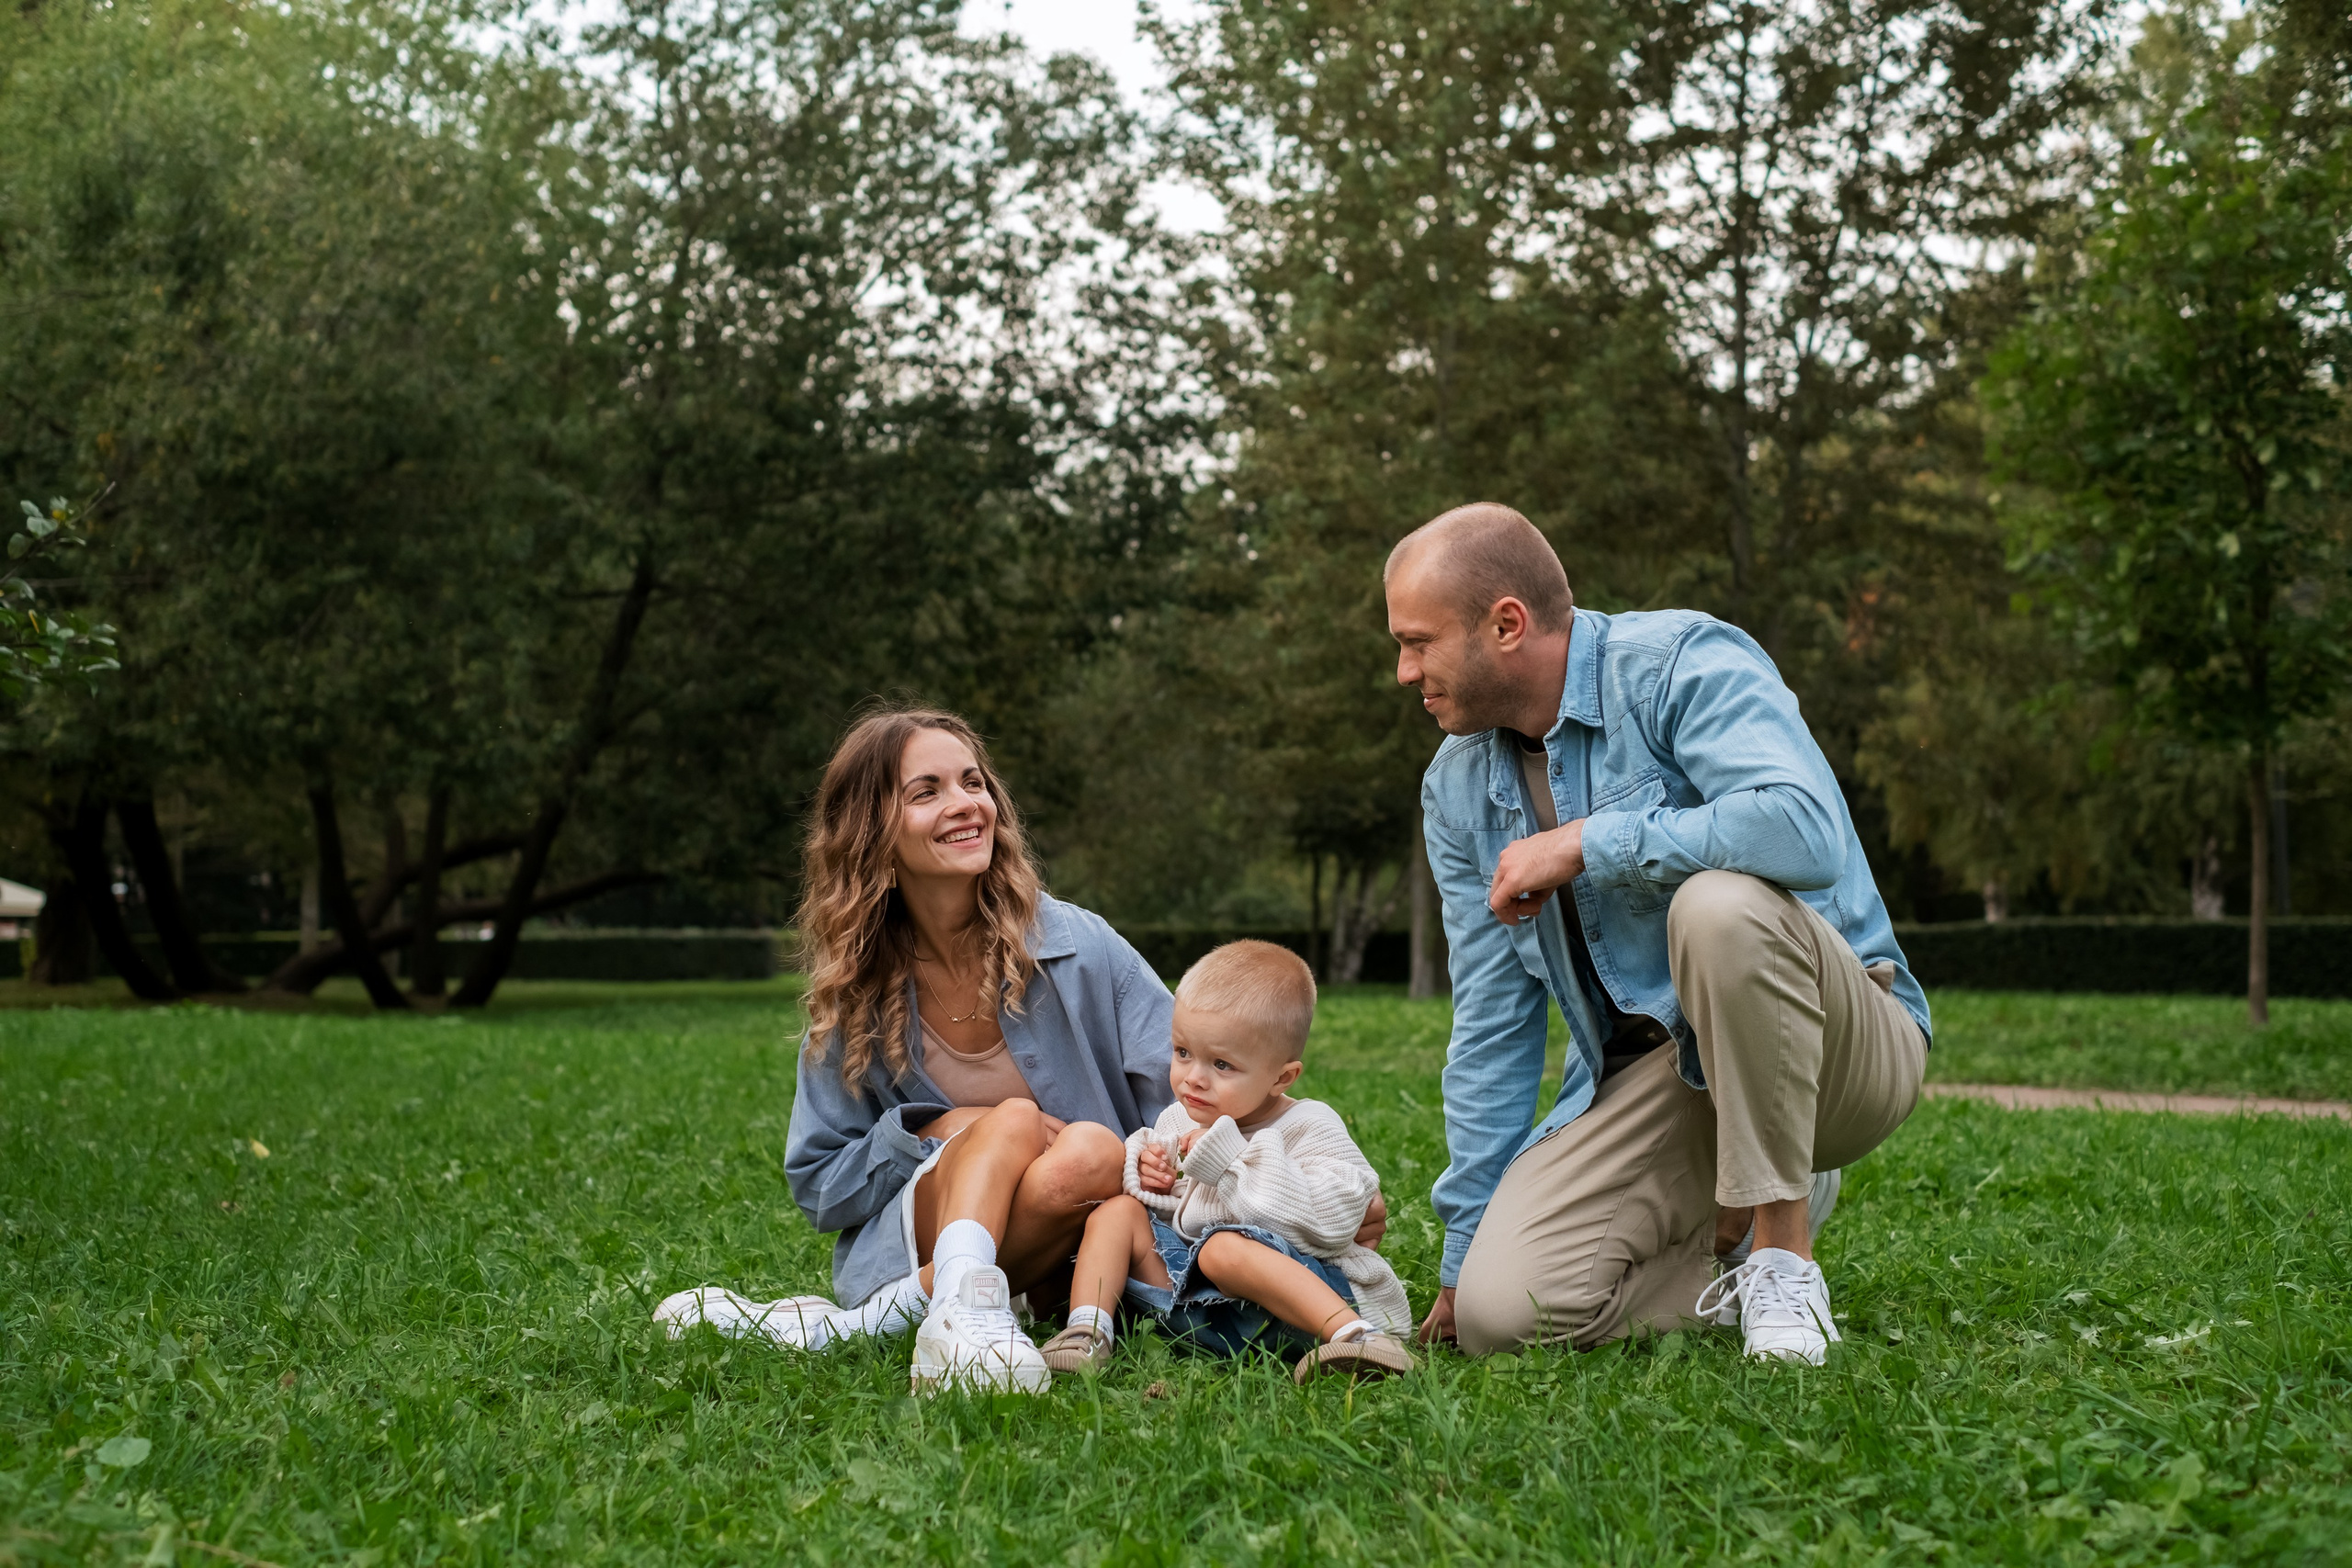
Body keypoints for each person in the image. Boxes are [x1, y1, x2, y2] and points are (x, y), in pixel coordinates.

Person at [1385, 503, 1930, 1365]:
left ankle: (1784, 1248)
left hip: (1836, 1048)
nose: (1405, 669)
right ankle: (1729, 1249)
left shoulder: (1682, 663)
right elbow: (1493, 1022)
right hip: (1660, 1073)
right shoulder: (1457, 787)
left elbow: (1803, 829)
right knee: (1504, 1316)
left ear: (1505, 624)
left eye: (1418, 642)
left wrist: (1586, 843)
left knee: (1719, 906)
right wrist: (1458, 1260)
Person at [655, 707, 1173, 1394]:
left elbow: (1197, 1093)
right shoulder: (857, 987)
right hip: (919, 1231)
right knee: (1014, 1119)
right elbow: (819, 1183)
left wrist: (1310, 1190)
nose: (966, 805)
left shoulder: (1079, 946)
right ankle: (962, 1309)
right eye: (927, 791)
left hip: (1077, 1258)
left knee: (1092, 1151)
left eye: (972, 782)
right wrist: (939, 1130)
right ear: (874, 833)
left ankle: (853, 1327)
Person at [1037, 942, 1414, 1382]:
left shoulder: (1310, 1125)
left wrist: (1231, 1160)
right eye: (1182, 1052)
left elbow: (1329, 1223)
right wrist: (1149, 1177)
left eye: (1221, 1064)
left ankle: (1357, 1339)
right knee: (1118, 1213)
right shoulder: (1181, 1117)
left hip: (1307, 1305)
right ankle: (1087, 1332)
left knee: (1221, 1249)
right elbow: (1178, 1217)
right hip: (1204, 1307)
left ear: (1282, 1076)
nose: (1193, 1077)